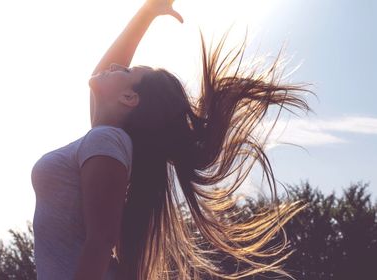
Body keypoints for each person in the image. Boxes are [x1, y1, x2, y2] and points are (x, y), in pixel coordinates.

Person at [31, 0, 316, 279]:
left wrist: (147, 13)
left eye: (127, 72)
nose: (117, 66)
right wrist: (147, 12)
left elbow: (102, 241)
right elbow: (106, 71)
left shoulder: (106, 140)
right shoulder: (103, 139)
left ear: (130, 98)